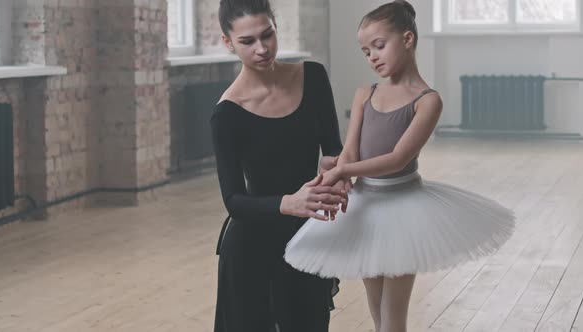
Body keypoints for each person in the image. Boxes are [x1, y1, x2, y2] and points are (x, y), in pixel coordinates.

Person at [284, 1, 516, 331]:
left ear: (407, 39)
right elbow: (349, 151)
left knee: (393, 316)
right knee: (376, 307)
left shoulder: (428, 101)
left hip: (403, 209)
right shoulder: (365, 93)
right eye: (366, 51)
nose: (372, 57)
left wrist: (343, 171)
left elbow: (398, 159)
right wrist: (339, 176)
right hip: (365, 208)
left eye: (379, 46)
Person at [210, 0, 349, 331]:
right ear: (228, 42)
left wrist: (339, 172)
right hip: (251, 249)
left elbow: (333, 150)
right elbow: (234, 201)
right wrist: (291, 202)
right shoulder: (226, 114)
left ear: (275, 26)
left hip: (308, 239)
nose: (261, 48)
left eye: (267, 35)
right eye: (247, 41)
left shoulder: (313, 77)